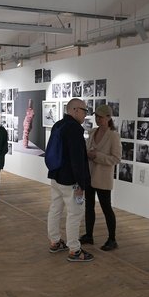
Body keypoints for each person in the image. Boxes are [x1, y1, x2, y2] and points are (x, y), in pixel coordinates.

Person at [47, 98, 93, 262]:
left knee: (55, 209)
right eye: (84, 111)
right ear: (75, 110)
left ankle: (55, 241)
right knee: (75, 213)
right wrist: (81, 183)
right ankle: (74, 250)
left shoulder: (58, 125)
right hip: (70, 180)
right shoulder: (74, 129)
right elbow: (77, 159)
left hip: (56, 176)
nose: (85, 114)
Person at [80, 104, 122, 251]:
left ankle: (112, 239)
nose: (98, 119)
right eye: (96, 116)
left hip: (103, 178)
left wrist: (97, 156)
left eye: (101, 117)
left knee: (106, 208)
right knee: (89, 206)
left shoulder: (113, 136)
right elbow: (87, 150)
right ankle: (89, 235)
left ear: (109, 118)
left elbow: (116, 158)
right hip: (90, 176)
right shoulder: (93, 132)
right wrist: (87, 153)